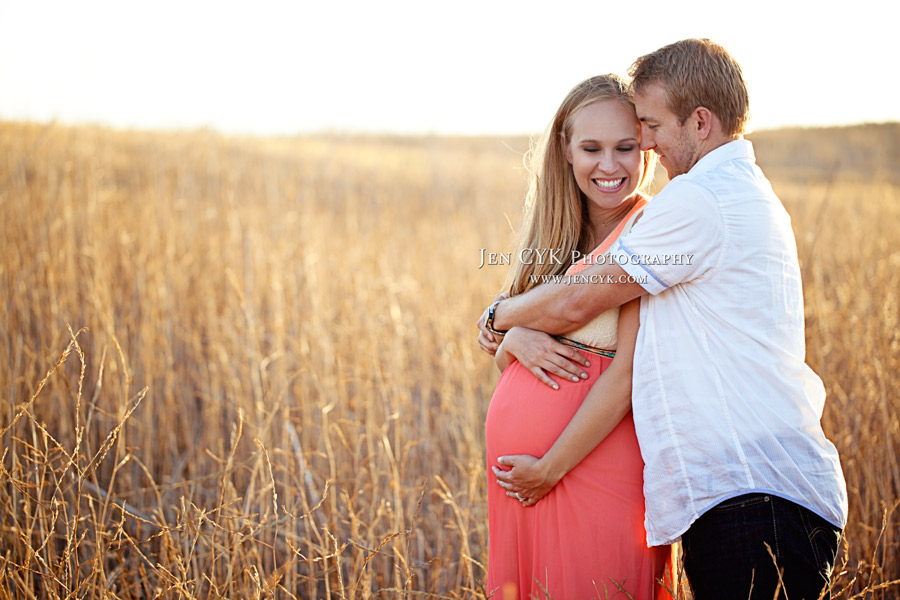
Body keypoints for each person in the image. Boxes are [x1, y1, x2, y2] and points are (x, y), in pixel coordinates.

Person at [478, 39, 848, 600]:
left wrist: (497, 314)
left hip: (753, 498)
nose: (645, 143)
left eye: (646, 127)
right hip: (737, 500)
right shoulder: (725, 193)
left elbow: (579, 305)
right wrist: (512, 336)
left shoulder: (697, 203)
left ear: (700, 122)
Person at [483, 74, 672, 600]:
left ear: (647, 149)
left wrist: (548, 469)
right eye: (591, 148)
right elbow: (511, 362)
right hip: (520, 484)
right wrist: (514, 342)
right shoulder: (553, 235)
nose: (608, 166)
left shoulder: (649, 234)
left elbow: (627, 373)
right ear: (566, 150)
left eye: (625, 147)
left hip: (591, 470)